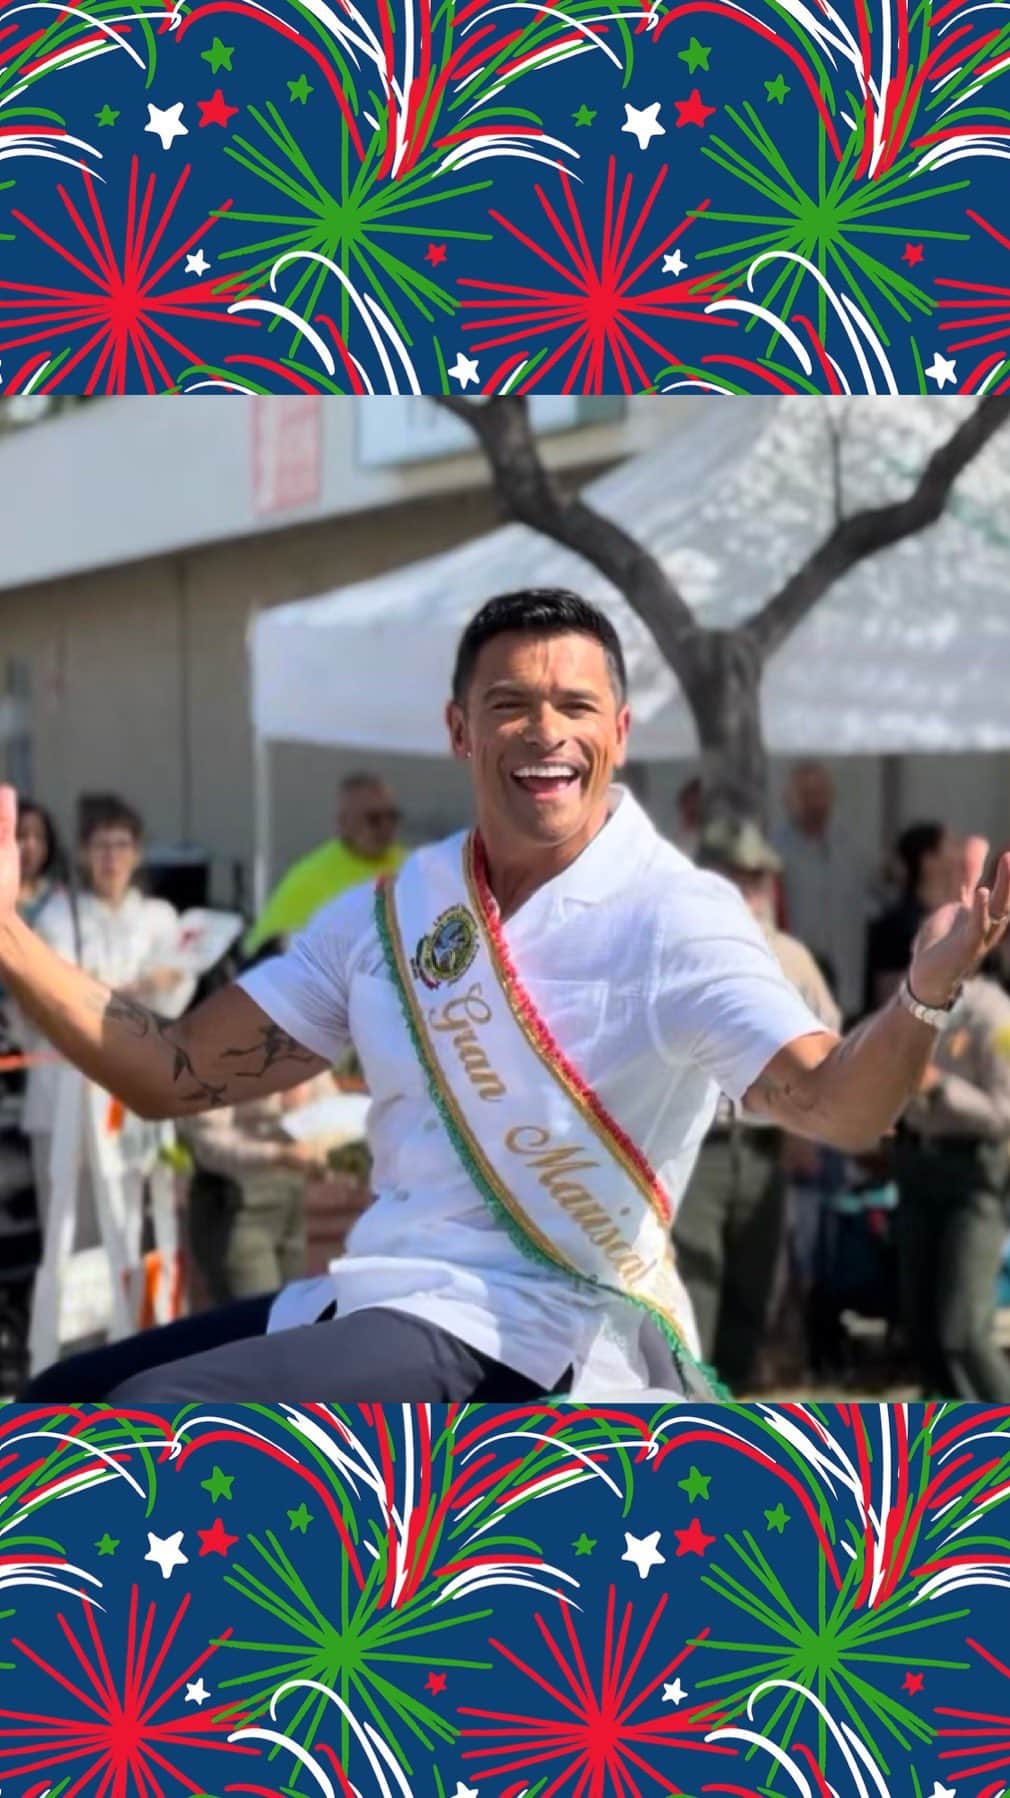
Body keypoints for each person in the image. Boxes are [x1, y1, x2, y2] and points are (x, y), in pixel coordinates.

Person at [1, 587, 1006, 1405]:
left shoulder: (676, 917)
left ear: (615, 729)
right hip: (372, 1300)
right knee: (60, 1403)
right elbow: (173, 1070)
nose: (544, 732)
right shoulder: (387, 914)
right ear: (458, 729)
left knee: (164, 1423)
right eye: (510, 705)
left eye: (573, 707)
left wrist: (922, 993)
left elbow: (838, 1104)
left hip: (541, 1329)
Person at [673, 818, 841, 1390]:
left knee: (753, 1294)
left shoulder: (791, 959)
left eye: (758, 881)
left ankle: (729, 1414)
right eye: (736, 880)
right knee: (693, 1294)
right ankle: (683, 1422)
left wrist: (804, 1131)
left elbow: (829, 1051)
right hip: (696, 1146)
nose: (750, 894)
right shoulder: (680, 951)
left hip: (766, 1146)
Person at [893, 950, 1010, 1401]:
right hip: (917, 1168)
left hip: (972, 1176)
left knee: (963, 1331)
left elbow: (1004, 1113)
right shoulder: (912, 1010)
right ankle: (948, 1448)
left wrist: (941, 1088)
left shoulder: (994, 1015)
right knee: (920, 1327)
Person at [181, 1074, 337, 1305]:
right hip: (236, 1201)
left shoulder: (301, 1043)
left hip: (290, 1195)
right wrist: (278, 1155)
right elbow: (209, 1144)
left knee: (295, 1317)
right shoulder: (216, 1047)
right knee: (257, 1322)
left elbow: (329, 1099)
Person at [243, 774, 406, 958]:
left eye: (392, 817)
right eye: (374, 819)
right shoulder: (310, 877)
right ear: (343, 823)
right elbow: (266, 949)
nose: (386, 827)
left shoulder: (410, 865)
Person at [774, 760, 870, 1020]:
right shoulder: (773, 853)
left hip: (849, 986)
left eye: (819, 794)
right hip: (795, 986)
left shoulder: (851, 849)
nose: (814, 803)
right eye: (805, 795)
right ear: (788, 799)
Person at [864, 822, 958, 1015]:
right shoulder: (894, 926)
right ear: (928, 861)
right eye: (951, 846)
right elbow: (886, 994)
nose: (959, 854)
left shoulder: (961, 919)